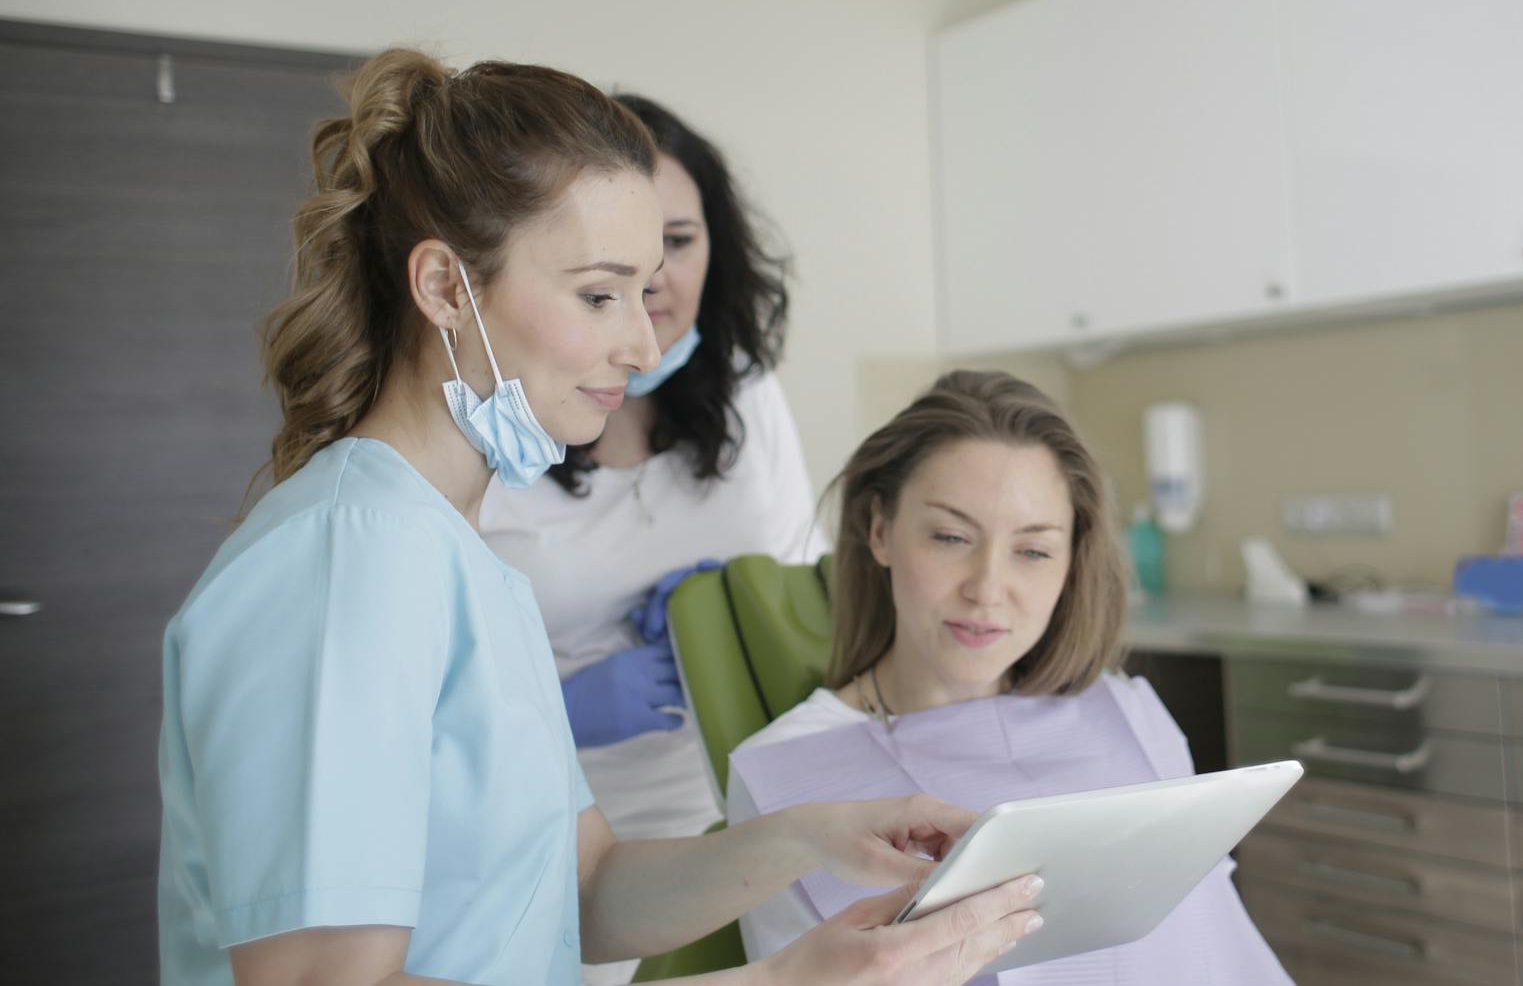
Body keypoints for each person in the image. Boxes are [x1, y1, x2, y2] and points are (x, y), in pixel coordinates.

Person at [156, 51, 1043, 986]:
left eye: (646, 287)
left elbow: (584, 888)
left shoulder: (463, 558)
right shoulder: (346, 561)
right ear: (447, 288)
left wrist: (816, 833)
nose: (644, 340)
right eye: (598, 294)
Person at [724, 370, 1290, 983]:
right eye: (950, 536)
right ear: (881, 531)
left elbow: (1218, 939)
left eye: (1034, 550)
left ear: (1073, 560)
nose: (988, 589)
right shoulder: (786, 773)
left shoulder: (1127, 712)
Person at [480, 96, 819, 984]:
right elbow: (442, 694)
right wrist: (566, 707)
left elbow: (805, 578)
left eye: (679, 239)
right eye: (614, 265)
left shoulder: (747, 392)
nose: (652, 278)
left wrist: (743, 599)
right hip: (566, 825)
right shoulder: (502, 429)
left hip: (746, 802)